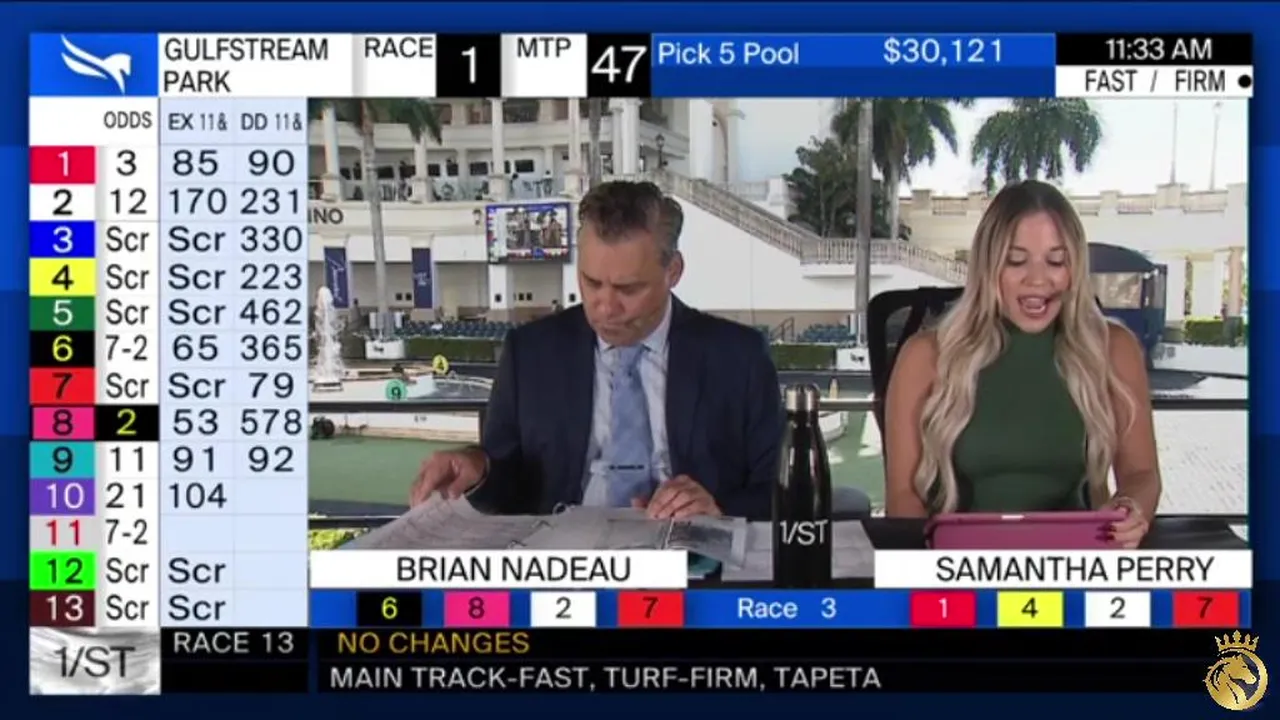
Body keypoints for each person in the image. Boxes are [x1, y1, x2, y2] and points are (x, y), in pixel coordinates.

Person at [410, 181, 783, 520]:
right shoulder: (530, 353)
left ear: (673, 271)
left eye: (628, 289)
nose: (605, 308)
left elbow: (779, 489)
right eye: (591, 282)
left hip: (692, 553)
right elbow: (504, 483)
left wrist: (719, 507)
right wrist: (478, 468)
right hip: (565, 558)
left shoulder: (740, 358)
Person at [883, 181, 1160, 548]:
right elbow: (902, 497)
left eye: (1056, 261)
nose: (1038, 279)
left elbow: (1142, 473)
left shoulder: (1114, 349)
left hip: (1076, 560)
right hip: (958, 565)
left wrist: (1131, 509)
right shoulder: (924, 356)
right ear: (988, 267)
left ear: (1075, 268)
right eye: (1016, 260)